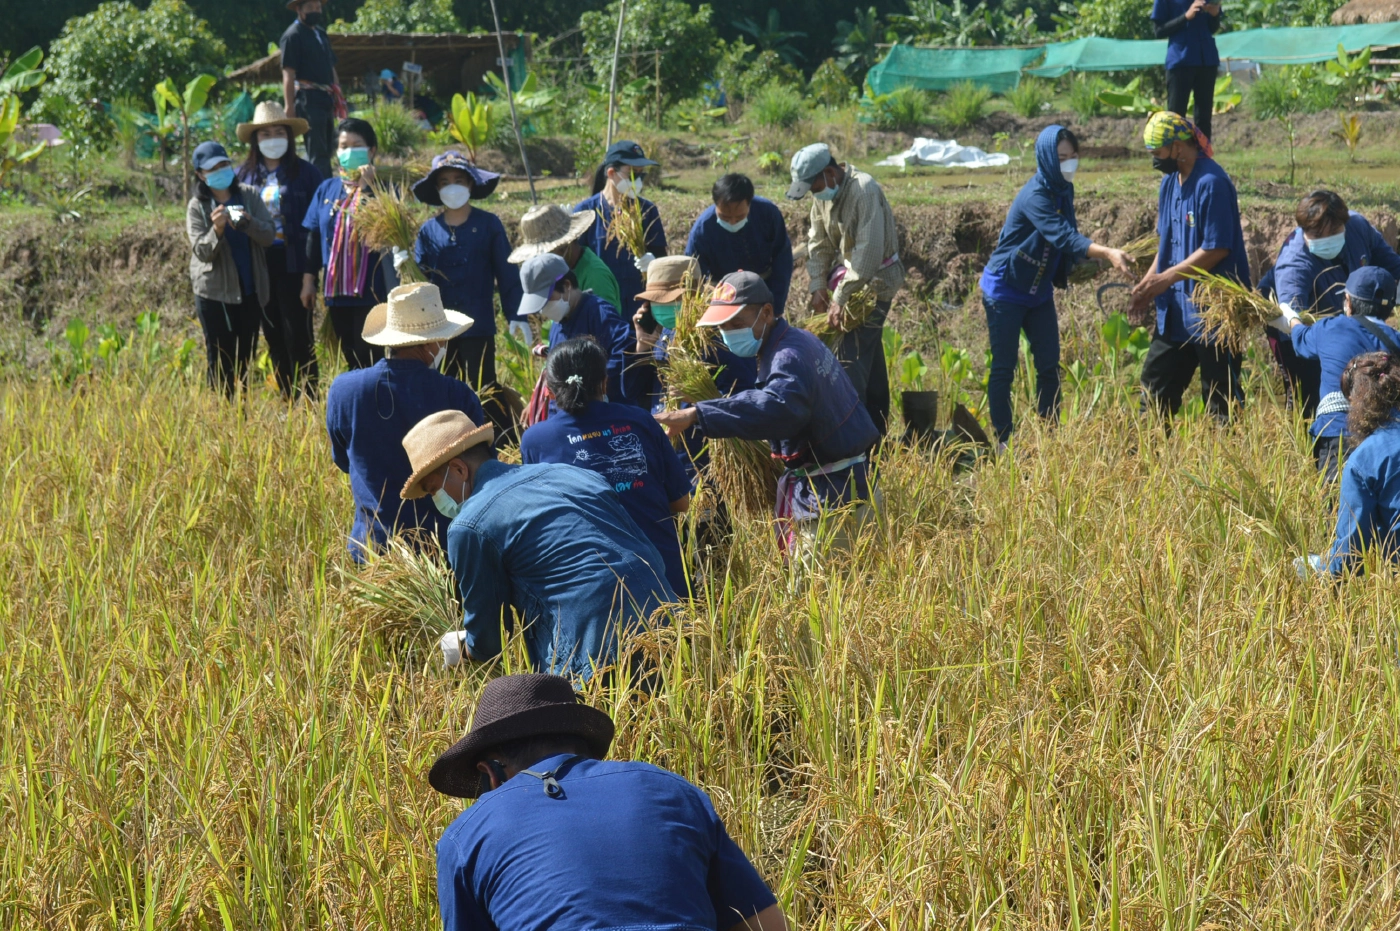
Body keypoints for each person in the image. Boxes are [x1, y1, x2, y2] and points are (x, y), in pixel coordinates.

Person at [430, 673, 789, 931]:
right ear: (580, 744)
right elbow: (767, 925)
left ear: (490, 772)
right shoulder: (672, 790)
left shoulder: (464, 837)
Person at [399, 410, 676, 677]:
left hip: (595, 653)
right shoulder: (572, 473)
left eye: (434, 489)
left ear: (459, 469)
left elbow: (489, 641)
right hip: (670, 622)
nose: (437, 501)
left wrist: (460, 648)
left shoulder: (469, 525)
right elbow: (647, 552)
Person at [654, 272, 880, 555]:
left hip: (834, 499)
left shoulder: (787, 357)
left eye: (737, 323)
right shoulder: (797, 340)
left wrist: (698, 413)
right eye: (723, 326)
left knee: (817, 583)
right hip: (846, 486)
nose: (729, 333)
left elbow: (777, 408)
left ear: (767, 312)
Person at [979, 126, 1136, 445]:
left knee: (1049, 365)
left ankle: (1049, 436)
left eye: (1073, 157)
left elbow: (1068, 235)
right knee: (1004, 368)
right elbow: (1062, 235)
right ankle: (1005, 441)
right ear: (1047, 158)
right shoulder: (1035, 195)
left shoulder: (1064, 190)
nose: (1069, 164)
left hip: (1037, 291)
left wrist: (1085, 264)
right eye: (1062, 158)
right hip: (1006, 289)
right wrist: (1106, 251)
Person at [325, 282, 484, 561]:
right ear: (431, 343)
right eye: (443, 339)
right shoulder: (457, 396)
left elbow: (343, 461)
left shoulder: (345, 391)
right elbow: (478, 476)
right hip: (443, 550)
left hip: (374, 551)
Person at [521, 337, 692, 595]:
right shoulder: (641, 421)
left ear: (550, 392)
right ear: (604, 382)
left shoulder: (535, 441)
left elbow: (542, 523)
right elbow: (681, 503)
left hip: (588, 591)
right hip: (664, 583)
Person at [1130, 112, 1250, 424]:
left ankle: (1226, 452)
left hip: (1213, 313)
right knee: (1154, 392)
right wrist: (1147, 285)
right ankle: (1149, 451)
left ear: (1178, 147)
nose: (1156, 160)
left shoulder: (1212, 183)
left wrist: (1166, 279)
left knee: (1221, 401)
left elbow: (1216, 248)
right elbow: (1166, 242)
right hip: (1175, 311)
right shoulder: (1169, 183)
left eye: (1158, 153)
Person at [787, 142, 902, 437]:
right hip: (849, 283)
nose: (815, 194)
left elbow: (868, 251)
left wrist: (840, 296)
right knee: (868, 359)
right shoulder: (822, 197)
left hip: (874, 285)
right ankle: (876, 434)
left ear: (829, 173)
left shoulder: (864, 189)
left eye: (815, 187)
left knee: (849, 363)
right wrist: (817, 285)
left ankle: (856, 439)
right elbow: (819, 242)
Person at [409, 151, 522, 433]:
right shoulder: (428, 231)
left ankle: (497, 441)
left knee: (485, 386)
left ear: (471, 184)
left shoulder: (488, 224)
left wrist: (516, 315)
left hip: (478, 323)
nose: (452, 186)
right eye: (445, 181)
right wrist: (405, 266)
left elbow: (507, 273)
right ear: (437, 188)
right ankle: (453, 442)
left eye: (458, 180)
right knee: (444, 387)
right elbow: (419, 281)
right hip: (440, 328)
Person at [1265, 190, 1400, 414]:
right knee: (1308, 394)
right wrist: (1314, 333)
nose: (1327, 239)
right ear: (1304, 230)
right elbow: (1295, 325)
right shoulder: (1294, 266)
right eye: (1318, 234)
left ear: (1343, 224)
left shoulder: (1357, 227)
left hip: (1347, 322)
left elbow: (1392, 264)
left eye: (1334, 231)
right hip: (1299, 331)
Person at [622, 255, 758, 473]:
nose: (661, 307)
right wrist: (642, 346)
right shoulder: (663, 333)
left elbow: (745, 400)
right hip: (670, 453)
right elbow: (632, 391)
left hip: (709, 458)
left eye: (668, 301)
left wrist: (698, 397)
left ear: (692, 298)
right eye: (655, 302)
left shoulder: (721, 338)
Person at [235, 101, 324, 400]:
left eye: (278, 132)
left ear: (288, 136)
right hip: (259, 264)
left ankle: (309, 397)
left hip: (295, 263)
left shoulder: (308, 174)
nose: (272, 139)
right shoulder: (242, 176)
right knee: (272, 334)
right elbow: (230, 209)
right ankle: (287, 397)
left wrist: (310, 276)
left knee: (298, 334)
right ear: (255, 140)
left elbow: (317, 226)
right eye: (265, 134)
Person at [1280, 267, 1400, 480]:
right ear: (1390, 308)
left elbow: (1300, 341)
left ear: (1348, 302)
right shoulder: (1396, 340)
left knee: (1336, 499)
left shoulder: (1330, 327)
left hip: (1339, 433)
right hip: (1387, 439)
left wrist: (1291, 319)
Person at [1296, 351, 1400, 578]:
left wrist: (1316, 568)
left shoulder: (1363, 460)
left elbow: (1349, 556)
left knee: (1301, 566)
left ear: (1358, 402)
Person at [185, 141, 276, 397]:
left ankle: (242, 409)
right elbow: (202, 252)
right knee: (219, 358)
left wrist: (249, 223)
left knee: (245, 356)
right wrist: (217, 229)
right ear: (201, 175)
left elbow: (269, 235)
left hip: (249, 290)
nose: (220, 171)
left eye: (224, 164)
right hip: (215, 294)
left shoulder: (248, 195)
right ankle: (221, 410)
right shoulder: (197, 206)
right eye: (213, 168)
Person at [302, 117, 392, 370]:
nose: (349, 151)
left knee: (370, 356)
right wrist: (308, 281)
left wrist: (367, 189)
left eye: (357, 145)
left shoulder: (384, 189)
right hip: (337, 291)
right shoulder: (327, 189)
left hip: (372, 291)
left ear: (371, 150)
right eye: (344, 146)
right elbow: (313, 236)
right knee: (350, 354)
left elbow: (386, 230)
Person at [518, 253, 634, 406]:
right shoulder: (557, 324)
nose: (543, 309)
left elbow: (625, 351)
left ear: (567, 285)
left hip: (603, 410)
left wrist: (592, 388)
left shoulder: (598, 313)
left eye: (547, 300)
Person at [574, 140, 668, 318]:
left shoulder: (647, 210)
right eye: (632, 174)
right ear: (611, 173)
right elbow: (574, 263)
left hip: (640, 307)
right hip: (601, 308)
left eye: (641, 175)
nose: (637, 181)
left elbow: (662, 257)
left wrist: (653, 262)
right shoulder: (586, 212)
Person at [685, 172, 793, 315]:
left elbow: (782, 258)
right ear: (716, 205)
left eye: (740, 217)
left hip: (764, 288)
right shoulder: (702, 230)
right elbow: (694, 277)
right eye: (725, 217)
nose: (732, 222)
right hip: (721, 296)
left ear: (749, 203)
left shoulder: (768, 214)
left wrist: (776, 306)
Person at [507, 203, 622, 312]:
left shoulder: (595, 277)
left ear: (564, 246)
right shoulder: (560, 273)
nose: (542, 261)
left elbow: (605, 324)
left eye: (545, 254)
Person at [280, 0, 341, 177]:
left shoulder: (321, 33)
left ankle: (326, 183)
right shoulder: (292, 35)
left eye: (318, 7)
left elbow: (331, 66)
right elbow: (288, 73)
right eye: (310, 8)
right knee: (317, 151)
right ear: (299, 9)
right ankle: (321, 189)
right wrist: (289, 106)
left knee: (328, 147)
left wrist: (338, 93)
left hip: (326, 96)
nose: (316, 11)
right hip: (309, 98)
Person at [1152, 0, 1222, 140]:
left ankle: (1203, 153)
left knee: (1204, 117)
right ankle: (1175, 153)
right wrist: (1185, 17)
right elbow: (1158, 30)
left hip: (1207, 60)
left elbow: (1212, 28)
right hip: (1180, 61)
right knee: (1176, 116)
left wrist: (1215, 15)